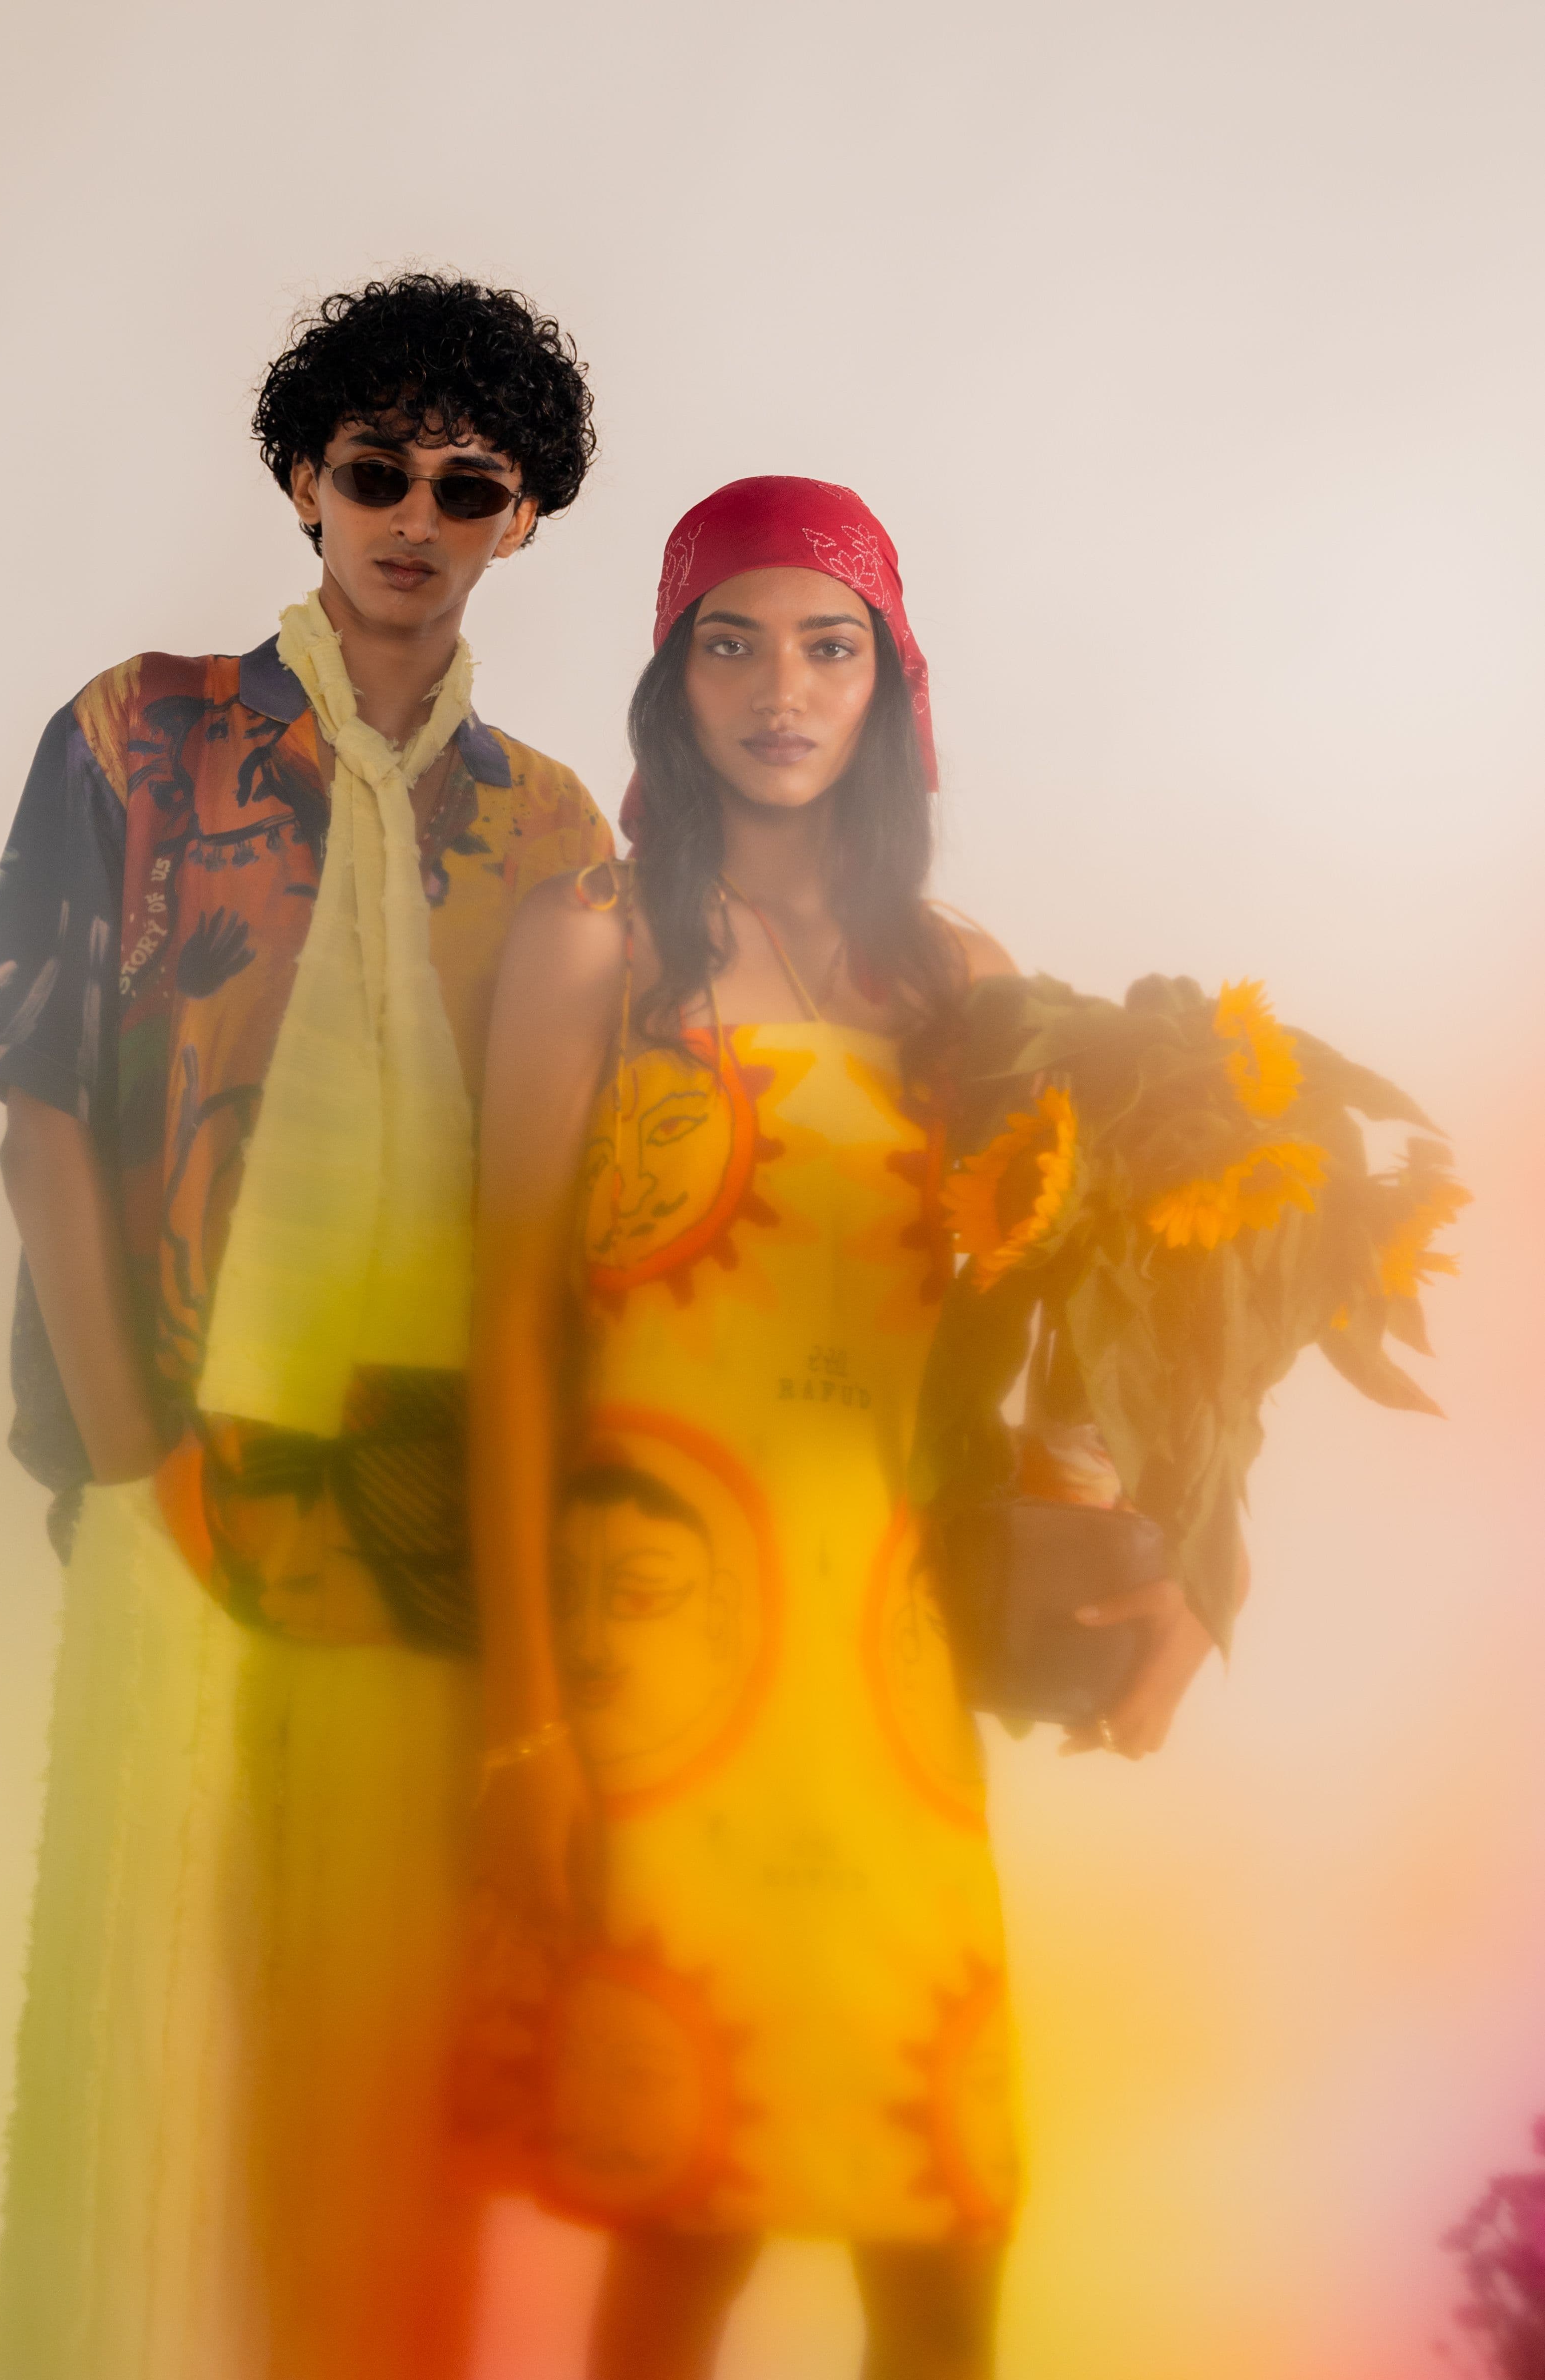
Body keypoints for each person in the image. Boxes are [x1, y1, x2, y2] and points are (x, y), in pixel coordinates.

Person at [462, 477, 1219, 2378]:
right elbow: (508, 1337)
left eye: (827, 648)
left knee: (937, 2213)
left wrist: (1152, 1548)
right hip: (660, 1652)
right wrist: (529, 1725)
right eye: (730, 644)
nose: (779, 691)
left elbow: (1044, 1326)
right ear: (673, 678)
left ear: (891, 684)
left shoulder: (962, 984)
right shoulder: (589, 945)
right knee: (687, 2203)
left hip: (887, 1656)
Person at [0, 271, 608, 2380]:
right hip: (186, 1457)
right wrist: (137, 1461)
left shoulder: (558, 830)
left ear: (522, 519)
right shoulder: (138, 736)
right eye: (376, 470)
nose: (415, 517)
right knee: (148, 2030)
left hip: (426, 1509)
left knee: (370, 2065)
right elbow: (39, 1114)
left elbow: (579, 1214)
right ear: (304, 482)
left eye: (468, 486)